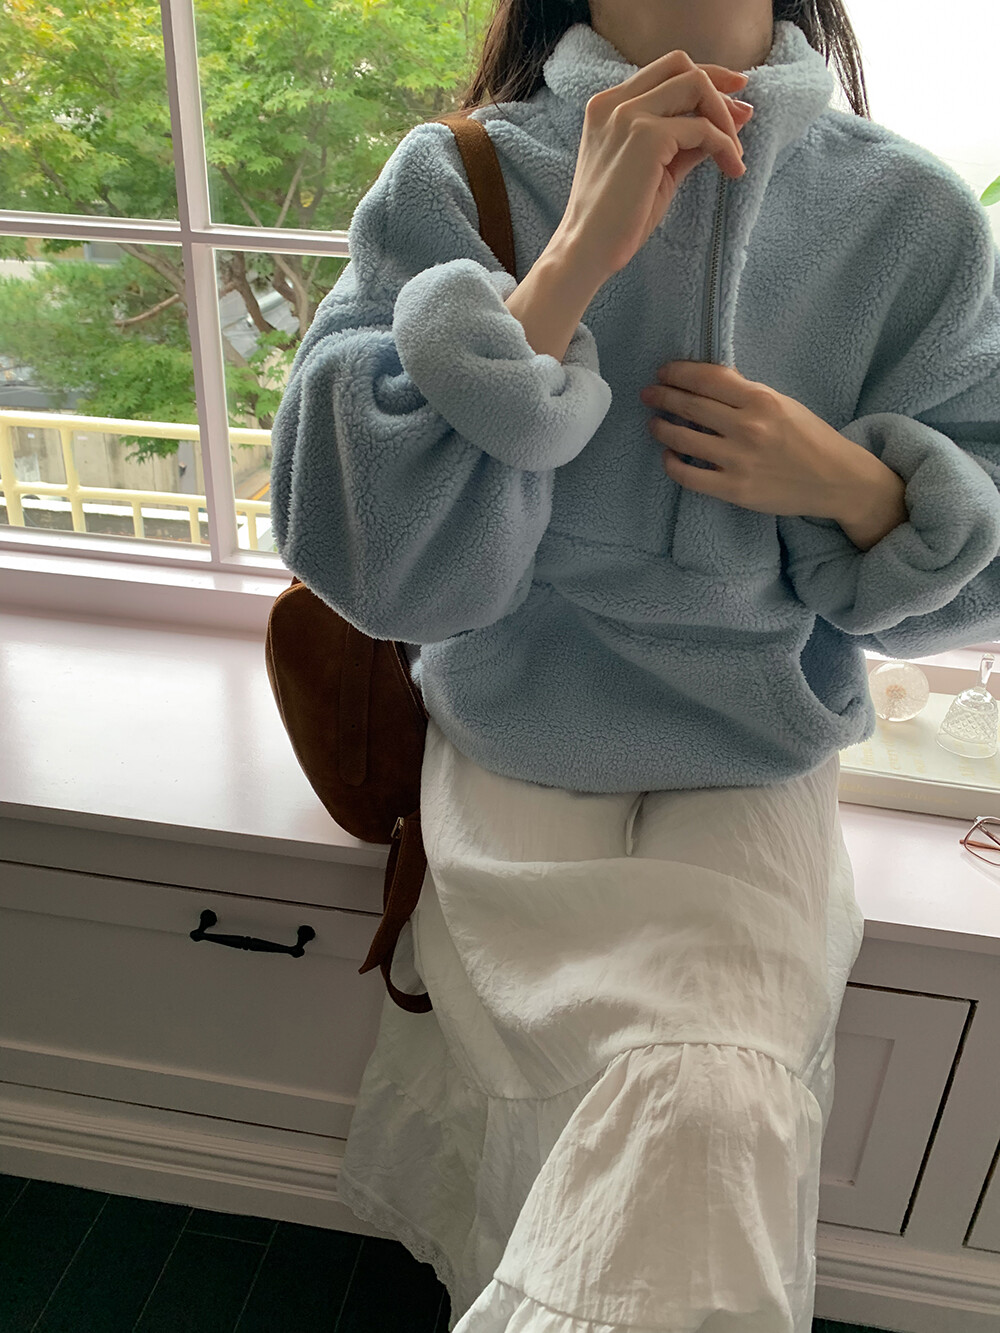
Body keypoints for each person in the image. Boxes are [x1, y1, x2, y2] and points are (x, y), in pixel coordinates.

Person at [268, 0, 1000, 1327]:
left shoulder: (912, 216)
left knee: (712, 1102)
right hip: (513, 733)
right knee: (632, 1111)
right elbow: (367, 555)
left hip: (760, 750)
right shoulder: (459, 176)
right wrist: (570, 265)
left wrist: (853, 486)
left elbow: (981, 567)